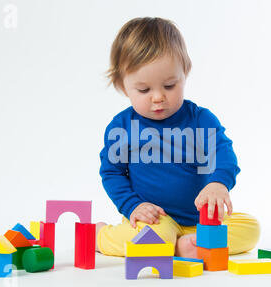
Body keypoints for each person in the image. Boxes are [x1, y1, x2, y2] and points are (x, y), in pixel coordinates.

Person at [96, 17, 260, 258]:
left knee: (251, 228)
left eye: (170, 85)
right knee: (157, 237)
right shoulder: (122, 127)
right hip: (154, 219)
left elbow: (223, 154)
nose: (158, 97)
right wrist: (133, 206)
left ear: (185, 74)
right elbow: (112, 173)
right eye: (144, 90)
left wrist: (218, 183)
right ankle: (101, 237)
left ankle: (186, 243)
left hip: (201, 220)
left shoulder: (201, 120)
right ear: (122, 85)